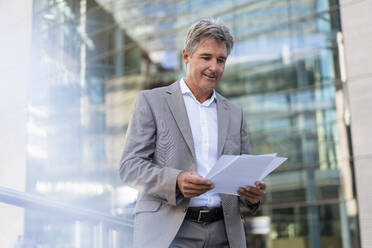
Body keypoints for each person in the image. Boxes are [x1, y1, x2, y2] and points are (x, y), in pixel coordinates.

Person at [120, 19, 266, 248]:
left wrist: (252, 195)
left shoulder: (235, 114)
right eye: (206, 57)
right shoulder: (151, 101)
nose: (214, 67)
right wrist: (175, 181)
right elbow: (130, 166)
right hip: (171, 232)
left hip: (224, 233)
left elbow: (244, 174)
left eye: (221, 60)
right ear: (186, 57)